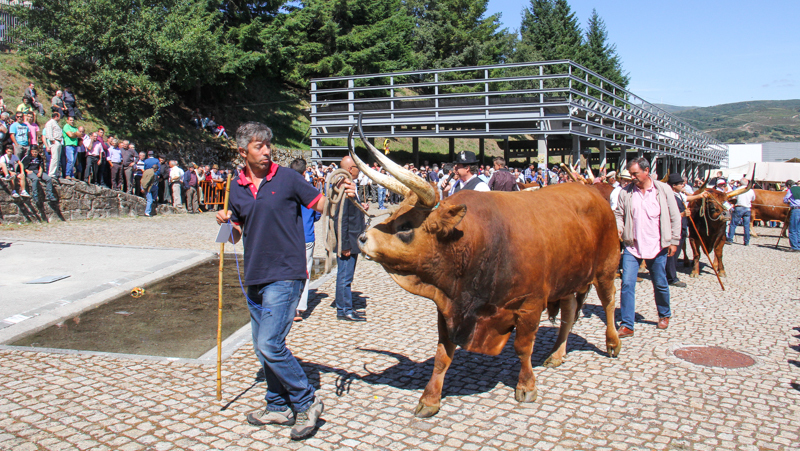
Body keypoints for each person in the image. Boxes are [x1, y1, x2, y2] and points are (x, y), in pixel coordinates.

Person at [215, 122, 355, 440]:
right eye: (258, 146)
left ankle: (306, 401)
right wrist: (224, 223)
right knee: (261, 348)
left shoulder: (288, 178)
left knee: (270, 343)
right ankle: (277, 405)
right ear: (242, 152)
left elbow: (322, 205)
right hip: (255, 275)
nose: (266, 151)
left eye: (268, 145)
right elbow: (234, 236)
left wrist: (341, 193)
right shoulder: (234, 187)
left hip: (286, 273)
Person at [614, 158, 682, 338]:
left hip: (657, 245)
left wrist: (674, 241)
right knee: (627, 283)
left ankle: (664, 314)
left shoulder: (663, 190)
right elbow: (619, 213)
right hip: (632, 245)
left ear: (646, 171)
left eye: (635, 174)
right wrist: (619, 227)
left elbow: (675, 216)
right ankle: (627, 324)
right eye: (630, 174)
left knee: (660, 283)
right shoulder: (626, 192)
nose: (632, 177)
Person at [334, 155, 369, 322]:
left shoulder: (348, 185)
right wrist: (345, 245)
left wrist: (361, 207)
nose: (358, 169)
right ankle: (344, 310)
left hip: (352, 239)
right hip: (347, 240)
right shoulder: (343, 188)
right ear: (349, 169)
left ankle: (346, 307)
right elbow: (341, 219)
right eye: (356, 167)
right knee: (344, 277)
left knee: (346, 276)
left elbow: (350, 212)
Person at [289, 158, 322, 322]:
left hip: (288, 237)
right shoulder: (310, 190)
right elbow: (318, 214)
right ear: (304, 173)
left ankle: (287, 306)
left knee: (288, 272)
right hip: (306, 236)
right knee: (305, 272)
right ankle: (298, 308)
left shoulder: (284, 190)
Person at [727, 178, 756, 245]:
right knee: (746, 226)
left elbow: (733, 197)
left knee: (733, 224)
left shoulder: (738, 190)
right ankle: (746, 241)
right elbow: (753, 199)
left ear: (740, 183)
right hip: (748, 208)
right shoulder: (751, 190)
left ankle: (730, 239)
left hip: (739, 207)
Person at [42, 112, 63, 178]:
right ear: (56, 116)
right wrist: (52, 140)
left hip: (58, 141)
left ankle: (56, 172)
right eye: (59, 116)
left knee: (57, 159)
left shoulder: (56, 123)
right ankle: (51, 173)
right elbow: (48, 133)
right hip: (54, 141)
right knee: (54, 158)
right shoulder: (50, 123)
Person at [141, 151, 160, 216]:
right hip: (146, 187)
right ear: (155, 169)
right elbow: (147, 181)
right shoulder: (152, 173)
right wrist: (144, 188)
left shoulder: (147, 169)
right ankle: (147, 212)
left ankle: (154, 198)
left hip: (145, 185)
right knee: (150, 200)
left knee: (156, 188)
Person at [784, 180, 800, 252]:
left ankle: (794, 247)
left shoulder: (791, 190)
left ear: (788, 186)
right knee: (799, 229)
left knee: (793, 228)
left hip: (795, 209)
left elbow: (785, 199)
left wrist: (789, 201)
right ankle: (799, 245)